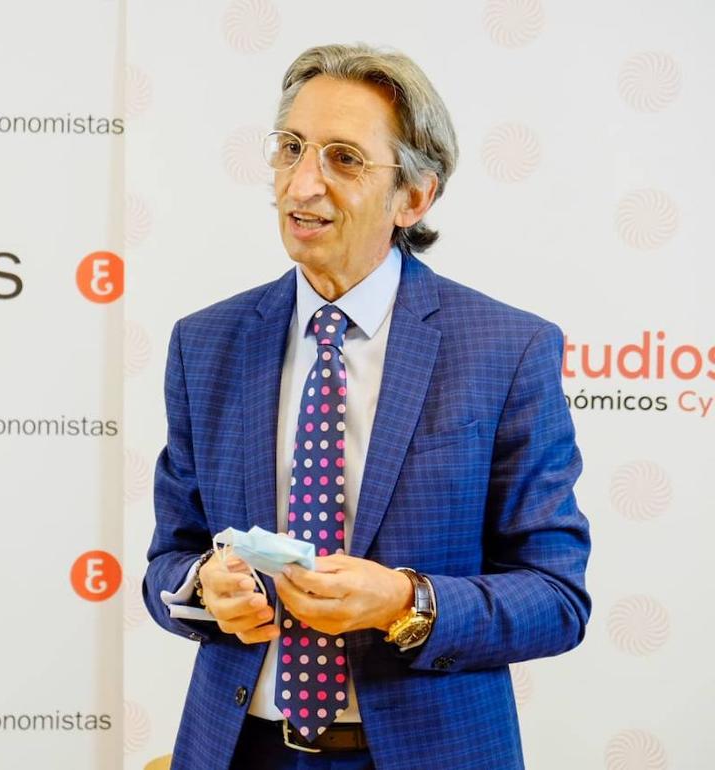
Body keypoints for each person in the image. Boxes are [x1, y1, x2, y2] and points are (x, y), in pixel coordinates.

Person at [142, 43, 592, 770]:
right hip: (239, 749)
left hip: (430, 754)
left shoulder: (507, 349)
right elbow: (169, 558)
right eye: (291, 148)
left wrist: (404, 601)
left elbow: (556, 597)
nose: (302, 183)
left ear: (413, 198)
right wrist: (203, 587)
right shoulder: (206, 343)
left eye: (344, 159)